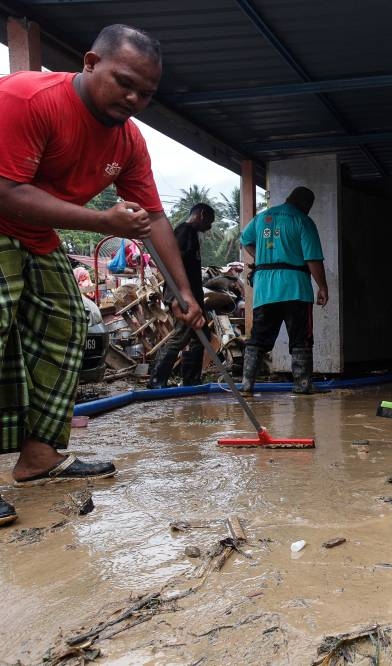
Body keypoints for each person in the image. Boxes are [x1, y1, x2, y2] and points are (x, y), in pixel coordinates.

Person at [0, 24, 204, 526]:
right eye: (124, 83)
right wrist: (101, 221)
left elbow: (154, 217)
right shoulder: (28, 99)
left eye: (147, 93)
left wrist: (183, 291)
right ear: (90, 63)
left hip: (36, 235)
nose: (134, 98)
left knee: (67, 324)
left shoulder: (128, 140)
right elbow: (6, 190)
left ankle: (39, 457)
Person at [240, 186, 328, 395]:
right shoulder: (303, 221)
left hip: (265, 289)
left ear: (289, 197)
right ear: (306, 205)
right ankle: (303, 384)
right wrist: (323, 286)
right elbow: (312, 259)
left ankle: (246, 385)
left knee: (259, 337)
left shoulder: (262, 218)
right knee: (301, 337)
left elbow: (245, 240)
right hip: (295, 287)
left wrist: (261, 258)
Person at [147, 203, 215, 388]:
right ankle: (157, 380)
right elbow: (171, 264)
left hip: (192, 296)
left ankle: (191, 380)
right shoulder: (184, 232)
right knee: (182, 336)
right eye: (209, 221)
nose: (209, 227)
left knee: (200, 336)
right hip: (182, 296)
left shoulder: (191, 234)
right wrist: (178, 296)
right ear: (201, 214)